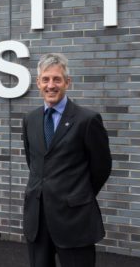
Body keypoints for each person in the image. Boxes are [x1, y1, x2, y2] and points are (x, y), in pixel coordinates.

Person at [22, 53, 112, 267]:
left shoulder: (87, 120)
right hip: (38, 218)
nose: (50, 85)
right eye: (45, 79)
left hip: (74, 219)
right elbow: (34, 163)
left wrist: (77, 194)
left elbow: (102, 167)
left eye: (57, 79)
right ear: (38, 83)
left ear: (67, 83)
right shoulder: (30, 120)